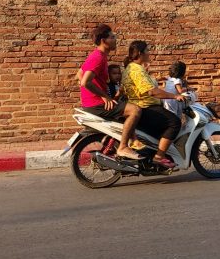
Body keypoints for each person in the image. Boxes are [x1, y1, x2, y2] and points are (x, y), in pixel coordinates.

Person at [78, 23, 141, 158]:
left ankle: (133, 140)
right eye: (112, 37)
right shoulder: (98, 58)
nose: (115, 40)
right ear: (103, 41)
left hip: (93, 102)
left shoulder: (98, 55)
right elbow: (85, 82)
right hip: (96, 104)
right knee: (135, 110)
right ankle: (123, 147)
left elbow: (79, 73)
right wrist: (104, 97)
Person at [121, 41, 186, 169]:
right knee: (175, 123)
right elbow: (151, 92)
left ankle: (153, 153)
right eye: (147, 50)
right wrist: (175, 96)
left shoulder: (132, 67)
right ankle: (159, 157)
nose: (149, 53)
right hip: (146, 107)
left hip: (142, 105)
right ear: (140, 53)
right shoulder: (137, 69)